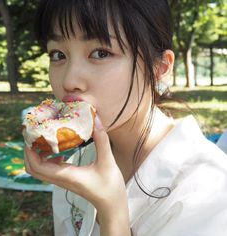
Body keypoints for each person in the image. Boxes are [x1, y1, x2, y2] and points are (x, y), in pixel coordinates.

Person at [24, 0, 227, 235]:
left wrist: (113, 212)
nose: (69, 81)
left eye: (100, 53)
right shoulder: (76, 164)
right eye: (58, 54)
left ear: (160, 68)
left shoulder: (210, 190)